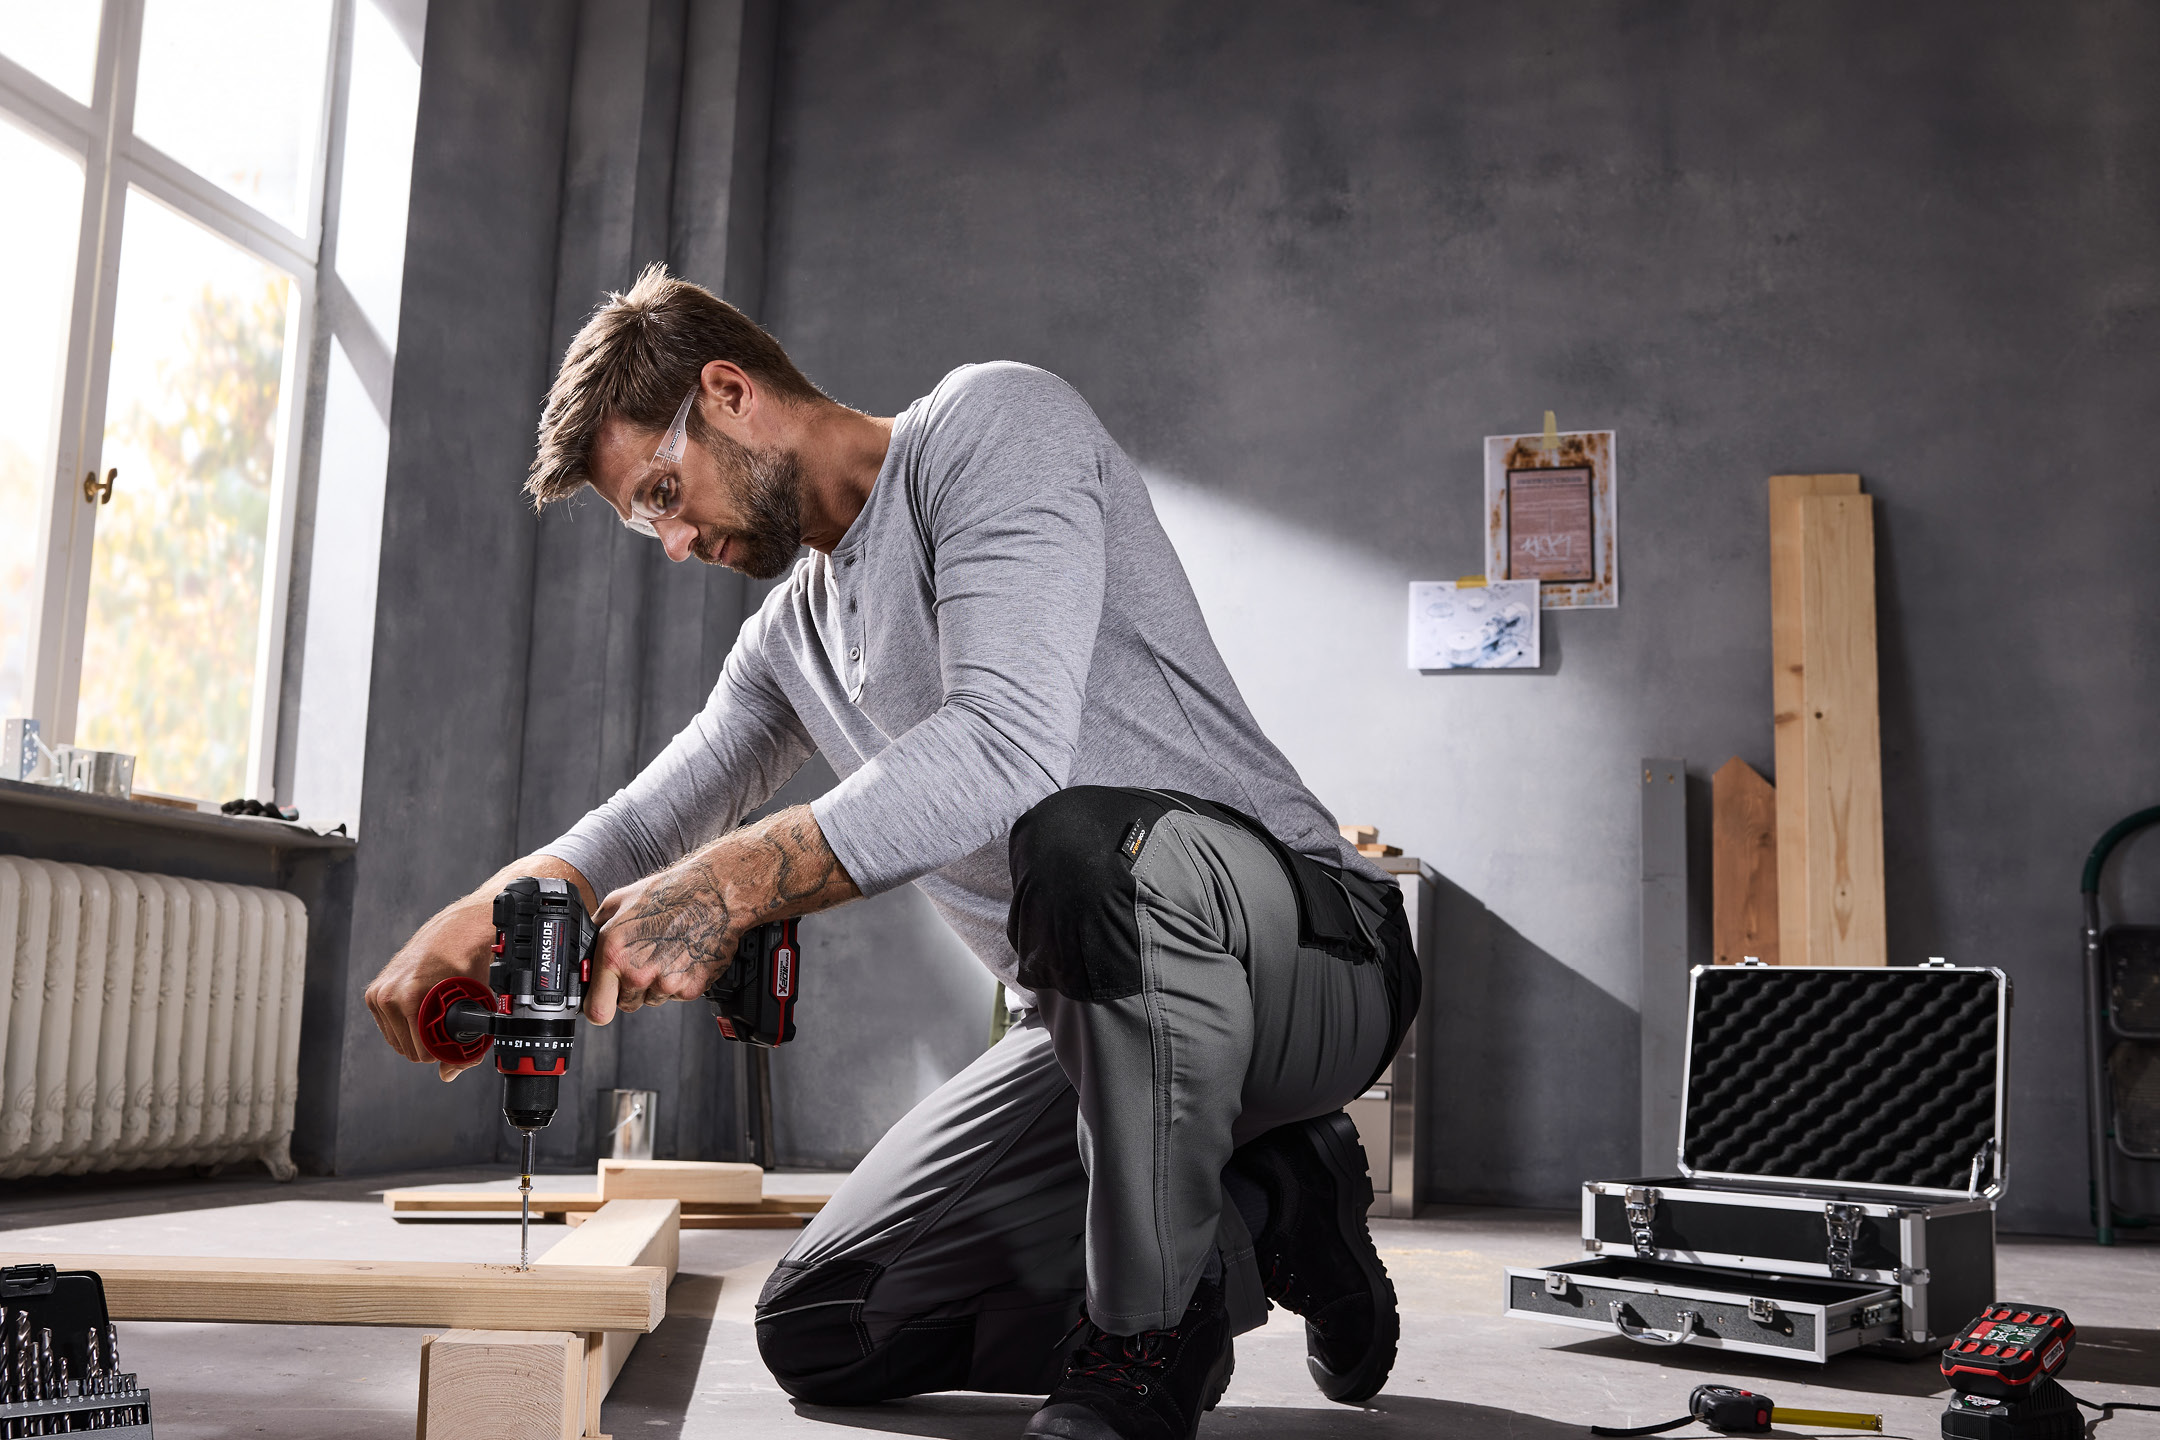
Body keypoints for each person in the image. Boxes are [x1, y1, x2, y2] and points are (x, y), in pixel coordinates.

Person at [365, 264, 1419, 1440]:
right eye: (640, 521)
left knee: (1082, 844)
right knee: (829, 1323)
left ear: (729, 392)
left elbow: (1006, 742)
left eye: (663, 493)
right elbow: (655, 819)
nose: (669, 542)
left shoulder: (992, 426)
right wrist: (496, 903)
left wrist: (735, 884)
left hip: (1311, 957)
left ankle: (1143, 1343)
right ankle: (1274, 1201)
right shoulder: (793, 636)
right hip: (1083, 1022)